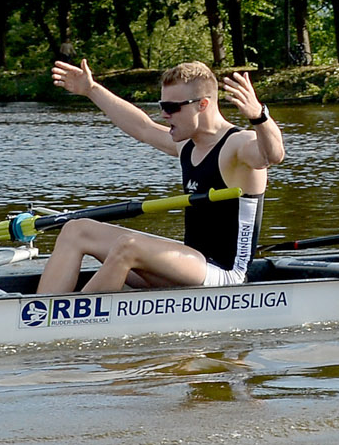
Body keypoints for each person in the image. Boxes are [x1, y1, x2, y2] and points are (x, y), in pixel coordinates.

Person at [35, 61, 285, 294]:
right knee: (76, 229)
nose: (164, 115)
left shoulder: (239, 144)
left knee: (128, 246)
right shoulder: (187, 144)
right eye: (162, 106)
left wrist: (259, 117)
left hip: (226, 275)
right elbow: (142, 127)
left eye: (171, 108)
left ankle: (68, 319)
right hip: (189, 263)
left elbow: (272, 155)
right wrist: (91, 90)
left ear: (203, 105)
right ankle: (35, 314)